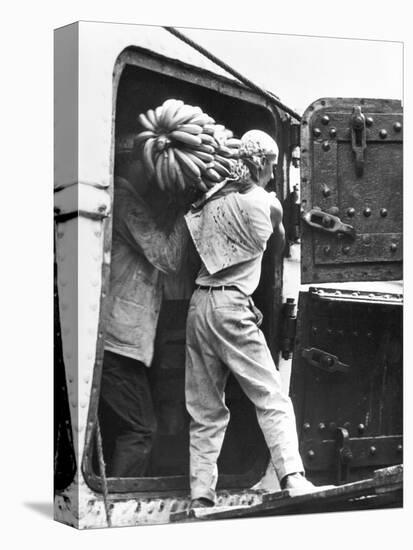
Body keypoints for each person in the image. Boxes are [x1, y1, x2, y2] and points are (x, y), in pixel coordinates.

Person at [184, 129, 316, 508]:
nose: (275, 174)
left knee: (205, 408)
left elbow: (220, 253)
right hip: (230, 309)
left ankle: (200, 495)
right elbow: (280, 236)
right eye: (273, 165)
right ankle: (292, 475)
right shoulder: (267, 202)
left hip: (200, 304)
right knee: (270, 395)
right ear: (260, 163)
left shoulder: (209, 201)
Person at [99, 144, 189, 478]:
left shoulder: (126, 203)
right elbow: (167, 256)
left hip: (123, 342)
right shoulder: (126, 204)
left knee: (132, 426)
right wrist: (187, 210)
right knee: (141, 430)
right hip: (116, 344)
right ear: (135, 163)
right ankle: (119, 501)